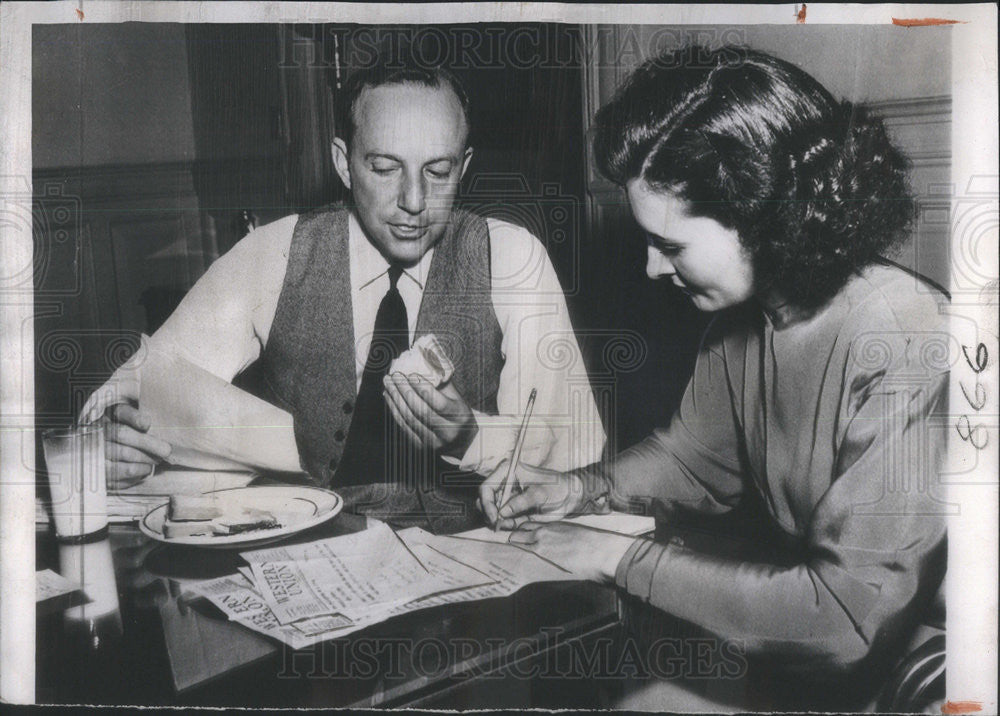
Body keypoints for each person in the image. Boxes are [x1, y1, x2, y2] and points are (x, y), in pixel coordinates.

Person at [480, 46, 948, 707]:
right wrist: (579, 488)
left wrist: (616, 558)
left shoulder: (909, 339)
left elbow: (845, 620)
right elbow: (693, 463)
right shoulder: (742, 325)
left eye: (670, 245)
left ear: (762, 215)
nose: (651, 268)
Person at [83, 63, 605, 533]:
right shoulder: (277, 253)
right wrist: (110, 438)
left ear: (464, 167)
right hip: (304, 546)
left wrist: (469, 437)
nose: (414, 202)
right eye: (384, 167)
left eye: (438, 171)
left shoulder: (512, 257)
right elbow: (139, 384)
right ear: (342, 161)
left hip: (473, 551)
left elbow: (568, 448)